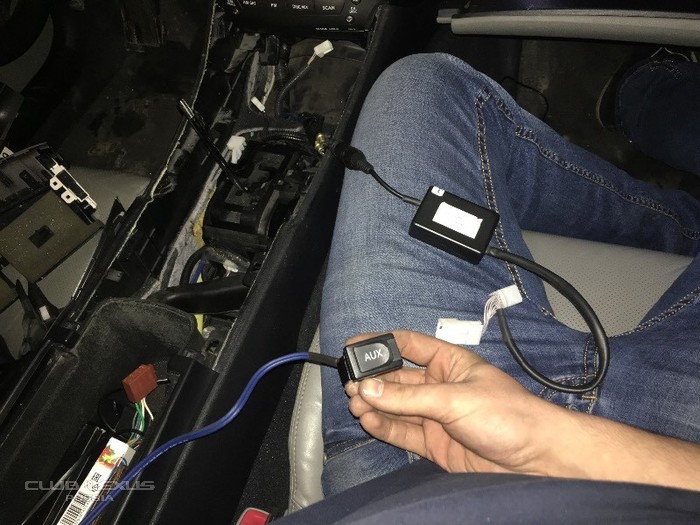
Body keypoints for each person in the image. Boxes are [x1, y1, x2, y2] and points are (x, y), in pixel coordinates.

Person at [295, 50, 700, 520]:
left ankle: (673, 195)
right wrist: (557, 444)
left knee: (423, 86)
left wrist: (551, 441)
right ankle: (666, 164)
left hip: (403, 467)